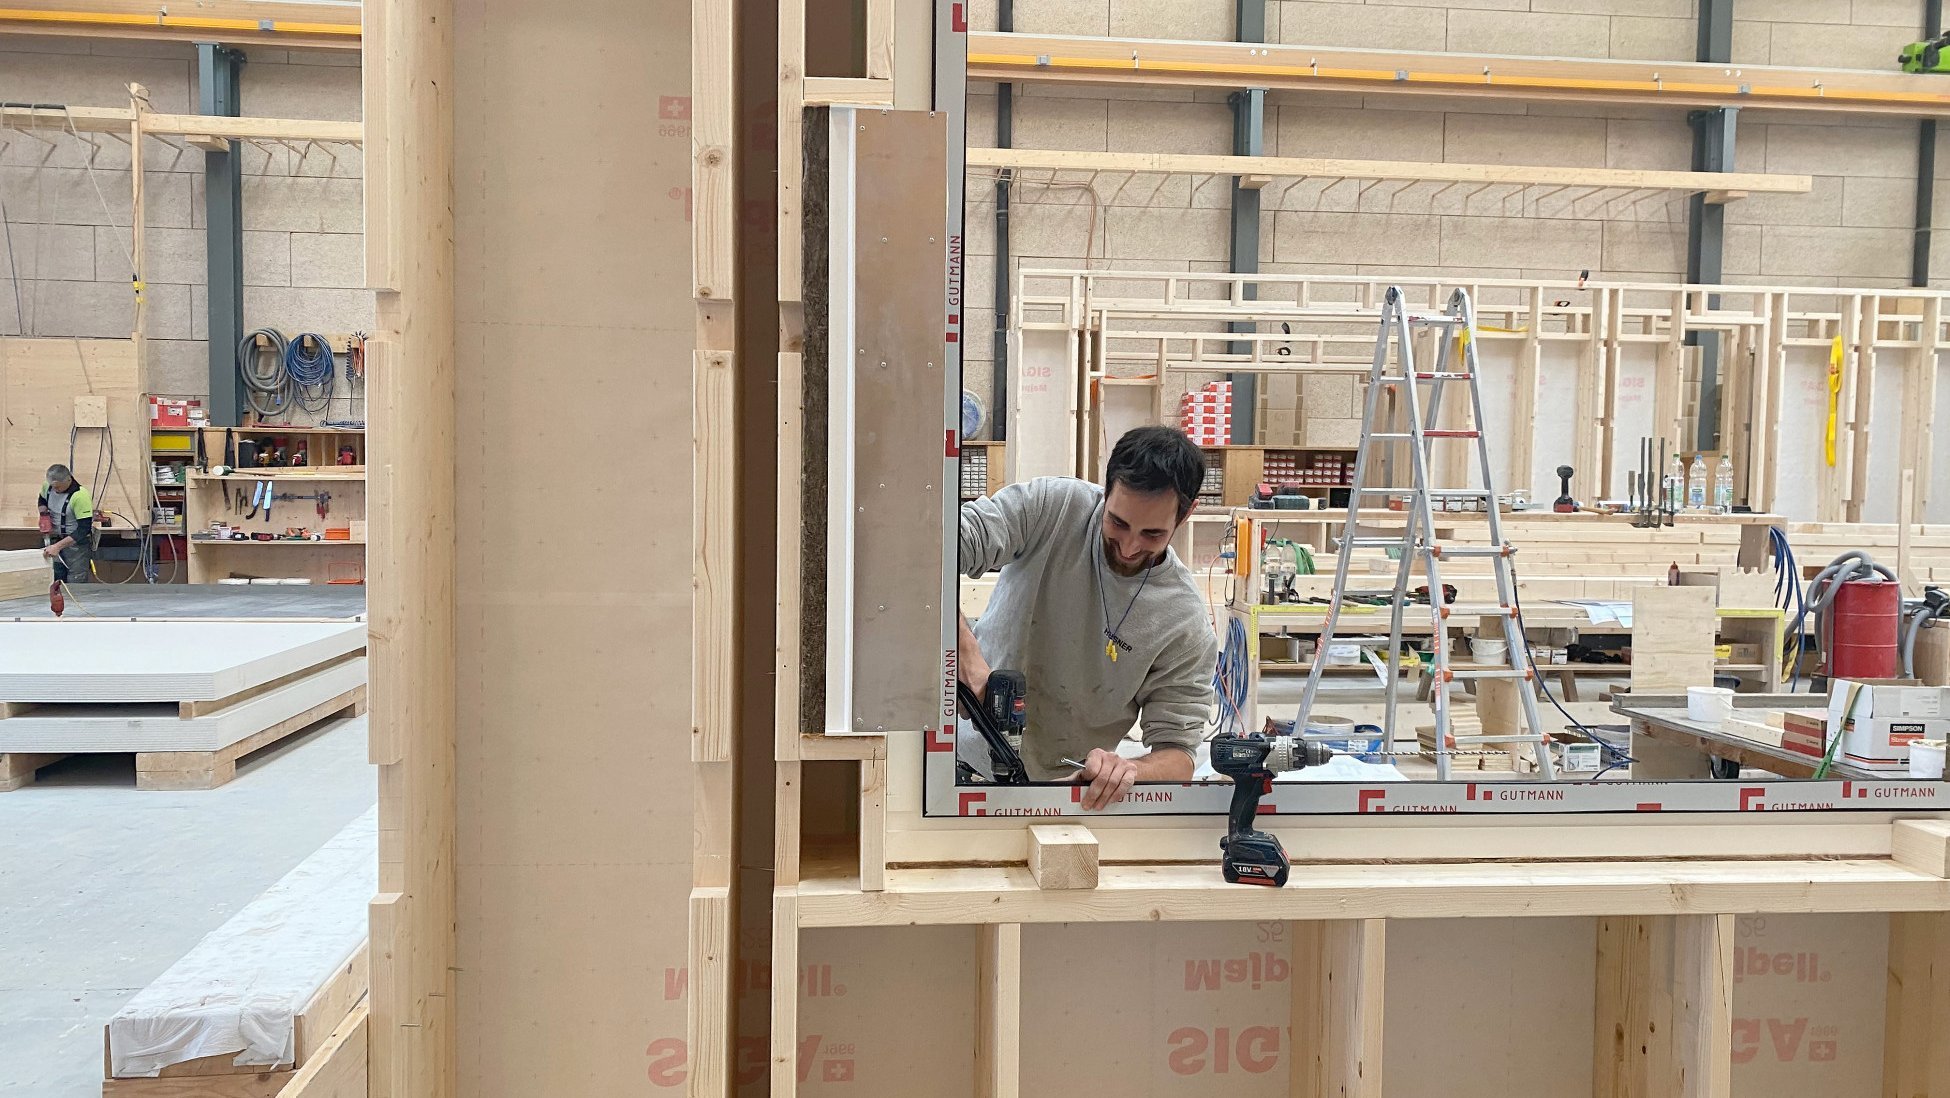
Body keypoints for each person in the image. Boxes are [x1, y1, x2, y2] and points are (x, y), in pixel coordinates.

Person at [958, 425, 1218, 810]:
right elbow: (929, 547)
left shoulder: (1183, 622)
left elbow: (1178, 753)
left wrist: (1128, 769)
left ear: (1186, 514)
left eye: (1152, 534)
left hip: (1064, 797)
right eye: (1118, 523)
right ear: (1106, 491)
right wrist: (962, 649)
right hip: (958, 767)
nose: (1129, 547)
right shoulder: (1051, 508)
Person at [39, 463, 96, 586]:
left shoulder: (80, 496)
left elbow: (83, 529)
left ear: (68, 479)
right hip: (53, 540)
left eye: (58, 487)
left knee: (76, 581)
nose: (55, 490)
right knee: (55, 579)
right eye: (53, 487)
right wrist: (43, 514)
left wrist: (58, 547)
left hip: (76, 546)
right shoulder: (48, 486)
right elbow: (42, 499)